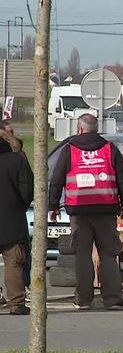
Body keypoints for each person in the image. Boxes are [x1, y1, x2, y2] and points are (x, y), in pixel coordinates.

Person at [49, 114, 123, 310]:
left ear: (79, 130)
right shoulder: (109, 149)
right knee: (109, 255)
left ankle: (84, 299)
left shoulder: (70, 150)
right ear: (96, 129)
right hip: (106, 209)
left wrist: (53, 206)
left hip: (79, 211)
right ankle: (112, 299)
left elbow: (57, 179)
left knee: (82, 255)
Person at [0, 126, 33, 315]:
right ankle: (17, 303)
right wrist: (20, 205)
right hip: (11, 218)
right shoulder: (17, 161)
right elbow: (27, 190)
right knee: (14, 262)